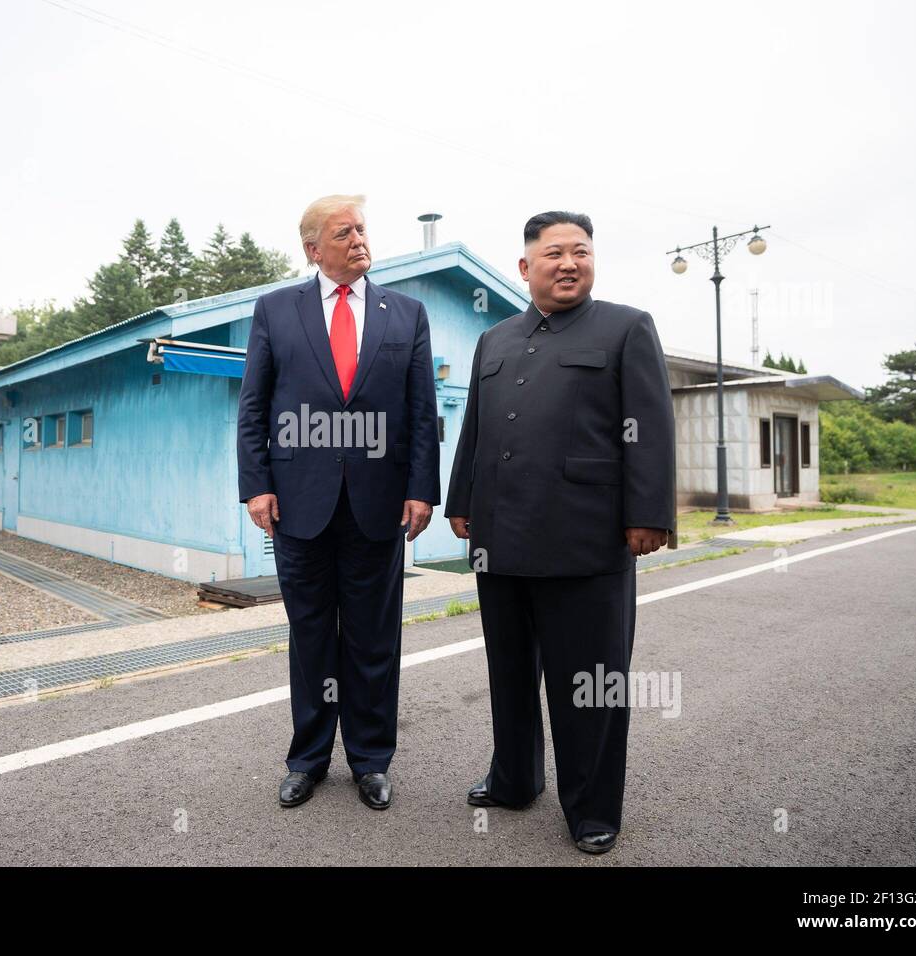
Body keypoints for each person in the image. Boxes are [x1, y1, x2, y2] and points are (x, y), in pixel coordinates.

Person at [445, 211, 675, 855]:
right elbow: (477, 428)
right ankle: (514, 778)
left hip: (587, 537)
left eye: (581, 251)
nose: (569, 262)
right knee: (509, 671)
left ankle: (593, 806)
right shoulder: (494, 339)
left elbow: (650, 427)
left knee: (592, 681)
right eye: (553, 253)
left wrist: (649, 511)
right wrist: (461, 498)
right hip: (500, 535)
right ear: (526, 267)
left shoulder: (626, 327)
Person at [237, 194, 440, 811]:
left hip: (378, 504)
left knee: (374, 636)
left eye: (362, 228)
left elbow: (420, 412)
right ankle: (308, 759)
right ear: (312, 249)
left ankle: (372, 761)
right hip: (299, 505)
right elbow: (254, 407)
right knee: (312, 635)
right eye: (343, 231)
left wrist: (420, 489)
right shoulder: (276, 311)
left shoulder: (406, 314)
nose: (358, 239)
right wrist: (257, 484)